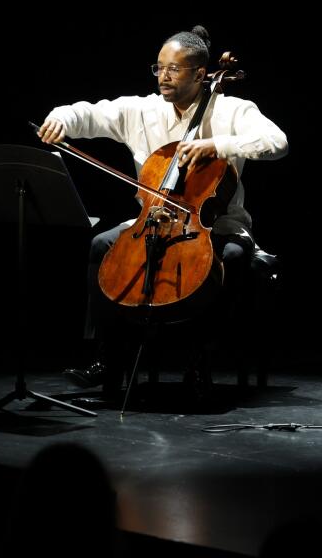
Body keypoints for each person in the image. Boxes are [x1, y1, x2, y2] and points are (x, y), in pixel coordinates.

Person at [38, 25, 288, 405]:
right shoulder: (142, 110)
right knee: (100, 244)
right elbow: (87, 114)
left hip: (216, 225)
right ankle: (107, 357)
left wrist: (218, 144)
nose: (164, 77)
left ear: (201, 74)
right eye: (159, 68)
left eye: (174, 69)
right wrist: (61, 118)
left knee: (233, 258)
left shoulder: (234, 111)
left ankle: (199, 361)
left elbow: (277, 142)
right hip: (153, 220)